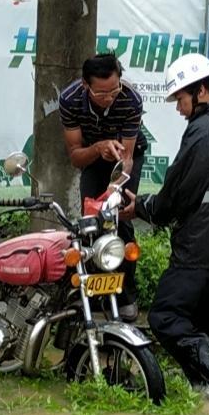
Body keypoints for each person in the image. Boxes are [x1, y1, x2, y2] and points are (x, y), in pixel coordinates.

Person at [120, 53, 209, 397]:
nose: (179, 108)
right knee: (203, 328)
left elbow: (180, 193)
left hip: (201, 247)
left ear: (199, 92)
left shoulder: (204, 131)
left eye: (180, 99)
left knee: (166, 316)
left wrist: (142, 207)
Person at [59, 53, 146, 321]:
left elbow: (128, 158)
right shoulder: (70, 99)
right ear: (86, 86)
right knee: (89, 223)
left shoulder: (130, 98)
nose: (110, 97)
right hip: (92, 156)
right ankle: (92, 293)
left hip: (126, 159)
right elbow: (75, 156)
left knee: (117, 219)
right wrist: (98, 148)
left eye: (114, 90)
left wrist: (114, 192)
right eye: (101, 94)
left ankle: (126, 295)